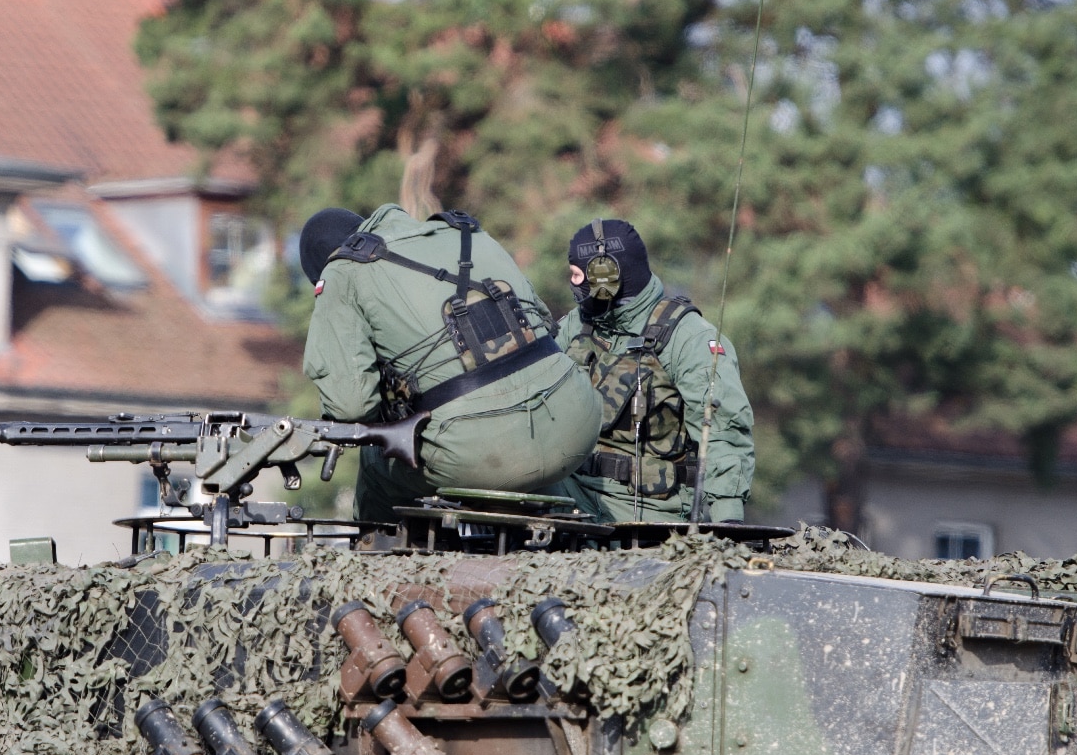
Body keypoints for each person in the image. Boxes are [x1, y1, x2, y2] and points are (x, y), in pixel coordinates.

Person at [300, 203, 602, 523]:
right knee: (531, 452)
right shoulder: (466, 230)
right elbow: (544, 324)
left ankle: (378, 568)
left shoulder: (342, 270)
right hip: (578, 421)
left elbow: (351, 409)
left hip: (482, 453)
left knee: (377, 464)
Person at [551, 219, 754, 524]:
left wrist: (729, 521)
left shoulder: (688, 339)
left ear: (605, 279)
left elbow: (724, 434)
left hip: (648, 514)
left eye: (578, 275)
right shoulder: (577, 326)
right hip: (572, 497)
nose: (573, 283)